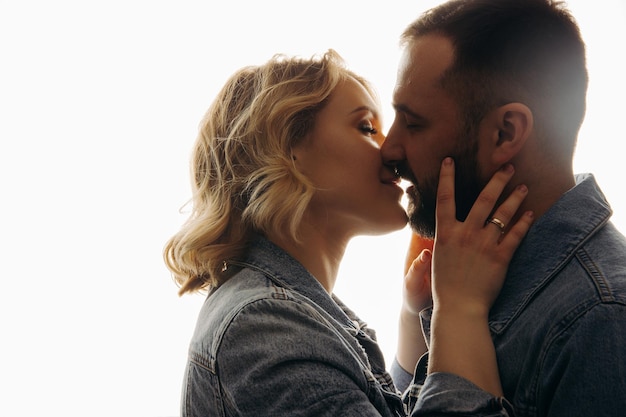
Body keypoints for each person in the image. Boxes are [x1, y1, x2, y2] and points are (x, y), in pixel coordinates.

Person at [163, 49, 533, 416]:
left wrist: (413, 316)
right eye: (366, 128)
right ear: (289, 151)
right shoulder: (263, 326)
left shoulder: (291, 312)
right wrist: (459, 309)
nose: (390, 149)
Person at [382, 0, 626, 416]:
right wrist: (420, 317)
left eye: (414, 122)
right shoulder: (465, 271)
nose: (389, 148)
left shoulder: (601, 320)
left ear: (505, 133)